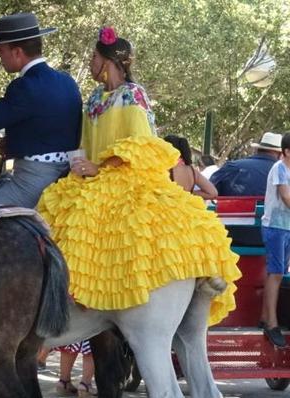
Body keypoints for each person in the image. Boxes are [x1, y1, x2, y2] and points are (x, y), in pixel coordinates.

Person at [37, 26, 240, 327]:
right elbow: (85, 142)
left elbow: (142, 142)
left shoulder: (134, 95)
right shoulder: (93, 99)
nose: (90, 62)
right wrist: (81, 164)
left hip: (128, 174)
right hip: (92, 177)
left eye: (94, 57)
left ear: (108, 61)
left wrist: (100, 167)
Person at [0, 13, 82, 208]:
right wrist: (16, 144)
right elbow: (51, 129)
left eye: (0, 49)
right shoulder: (68, 82)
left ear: (17, 52)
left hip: (32, 181)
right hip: (66, 174)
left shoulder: (24, 87)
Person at [259, 133, 290, 348]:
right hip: (275, 227)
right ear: (286, 151)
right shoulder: (280, 168)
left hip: (286, 227)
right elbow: (286, 197)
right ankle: (271, 323)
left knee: (278, 272)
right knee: (276, 273)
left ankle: (265, 316)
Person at [209, 132, 284, 196]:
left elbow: (209, 189)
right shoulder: (284, 173)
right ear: (281, 154)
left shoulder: (231, 166)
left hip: (232, 212)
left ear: (257, 149)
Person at [163, 134, 217, 199]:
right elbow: (213, 193)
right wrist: (189, 192)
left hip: (168, 207)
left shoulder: (165, 168)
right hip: (189, 207)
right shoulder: (192, 170)